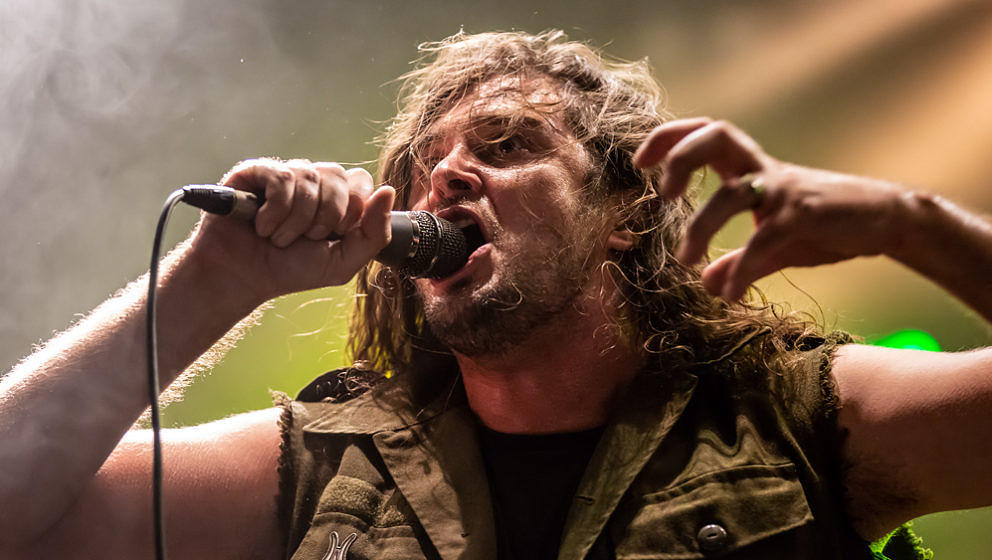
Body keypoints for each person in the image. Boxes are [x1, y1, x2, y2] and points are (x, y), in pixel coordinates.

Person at [1, 29, 990, 560]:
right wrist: (212, 282)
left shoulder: (789, 416)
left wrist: (912, 224)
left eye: (507, 144)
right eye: (423, 167)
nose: (445, 177)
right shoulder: (328, 464)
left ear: (624, 212)